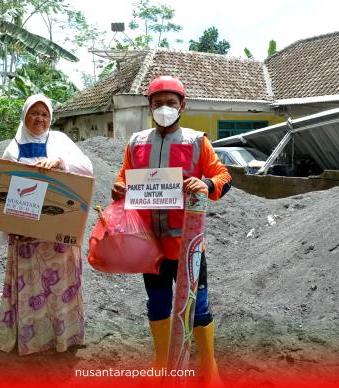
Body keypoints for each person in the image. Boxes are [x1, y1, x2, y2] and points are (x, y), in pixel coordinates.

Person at [111, 76, 232, 384]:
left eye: (171, 103)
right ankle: (161, 363)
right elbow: (124, 179)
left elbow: (223, 177)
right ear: (149, 106)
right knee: (158, 303)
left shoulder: (196, 141)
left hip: (189, 247)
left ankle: (209, 367)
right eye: (158, 103)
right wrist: (119, 187)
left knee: (199, 308)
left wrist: (204, 183)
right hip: (150, 246)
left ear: (182, 106)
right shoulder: (136, 143)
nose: (164, 109)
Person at [0, 94, 93, 355]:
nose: (40, 118)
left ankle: (64, 337)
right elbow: (2, 189)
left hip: (59, 233)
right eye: (34, 113)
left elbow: (87, 168)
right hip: (26, 234)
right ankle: (33, 339)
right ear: (25, 116)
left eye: (45, 114)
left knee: (62, 286)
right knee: (32, 285)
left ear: (51, 118)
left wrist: (60, 161)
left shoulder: (60, 141)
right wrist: (11, 227)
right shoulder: (13, 149)